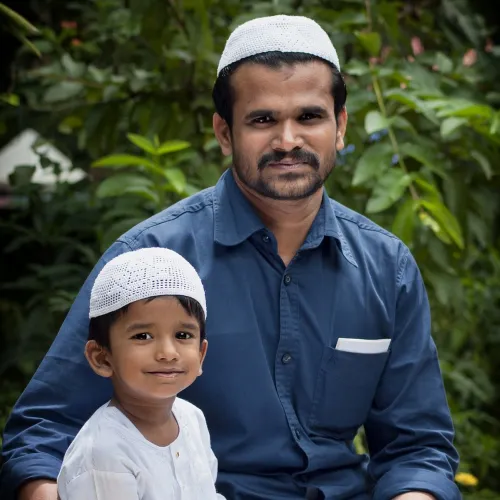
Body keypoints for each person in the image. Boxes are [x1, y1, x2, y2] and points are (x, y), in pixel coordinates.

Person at [1, 14, 460, 500]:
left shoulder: (386, 268)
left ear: (340, 126)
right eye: (263, 120)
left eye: (309, 117)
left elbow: (416, 448)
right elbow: (44, 433)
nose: (288, 141)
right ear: (225, 133)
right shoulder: (150, 260)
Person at [56, 247, 225, 499]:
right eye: (142, 336)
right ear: (102, 357)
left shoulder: (192, 418)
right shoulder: (105, 452)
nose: (168, 352)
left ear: (200, 354)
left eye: (183, 335)